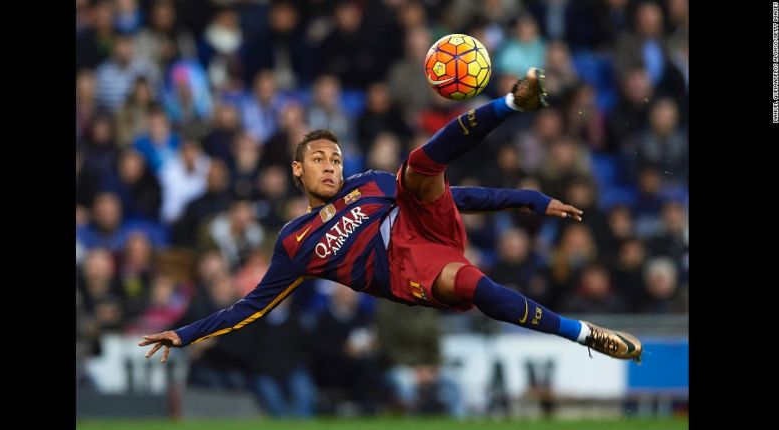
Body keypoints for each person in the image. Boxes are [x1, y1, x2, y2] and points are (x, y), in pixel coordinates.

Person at [140, 68, 642, 365]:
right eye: (319, 158)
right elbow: (249, 306)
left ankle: (512, 102)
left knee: (419, 165)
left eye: (335, 157)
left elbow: (459, 194)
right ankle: (584, 334)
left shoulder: (370, 184)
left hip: (429, 222)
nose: (331, 165)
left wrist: (528, 199)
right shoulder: (295, 242)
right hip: (410, 271)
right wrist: (185, 334)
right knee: (473, 286)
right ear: (297, 170)